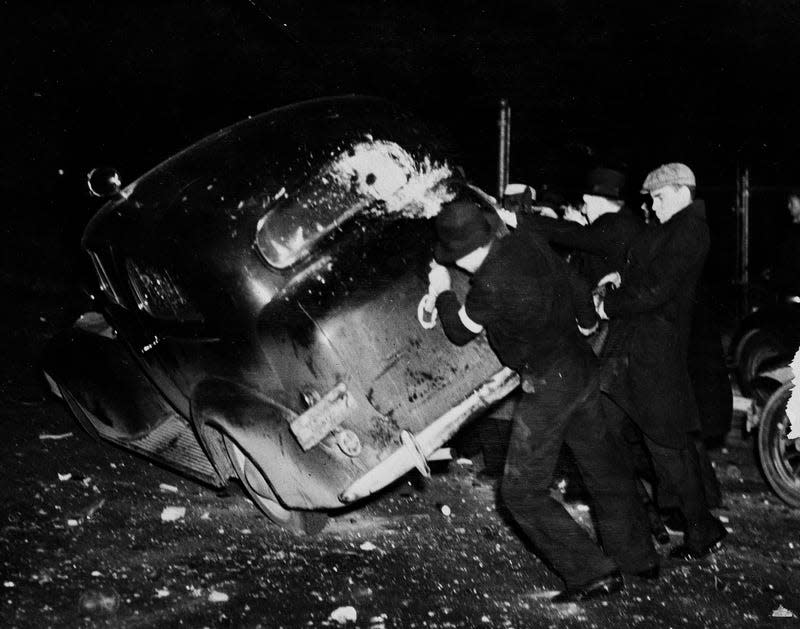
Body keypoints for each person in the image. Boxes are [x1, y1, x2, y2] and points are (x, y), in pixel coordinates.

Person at [427, 196, 658, 602]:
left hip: (549, 386)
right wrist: (586, 323)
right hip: (582, 368)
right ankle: (638, 558)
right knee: (604, 468)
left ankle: (591, 573)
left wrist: (443, 291)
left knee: (520, 493)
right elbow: (574, 283)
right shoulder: (524, 242)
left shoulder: (489, 282)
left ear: (460, 256)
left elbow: (460, 330)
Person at [594, 163, 727, 560]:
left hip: (654, 357)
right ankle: (648, 522)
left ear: (682, 191)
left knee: (668, 451)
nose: (652, 205)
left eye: (659, 197)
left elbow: (657, 289)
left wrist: (609, 306)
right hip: (634, 353)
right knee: (603, 430)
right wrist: (621, 275)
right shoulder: (673, 227)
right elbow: (647, 272)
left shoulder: (690, 229)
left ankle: (700, 528)